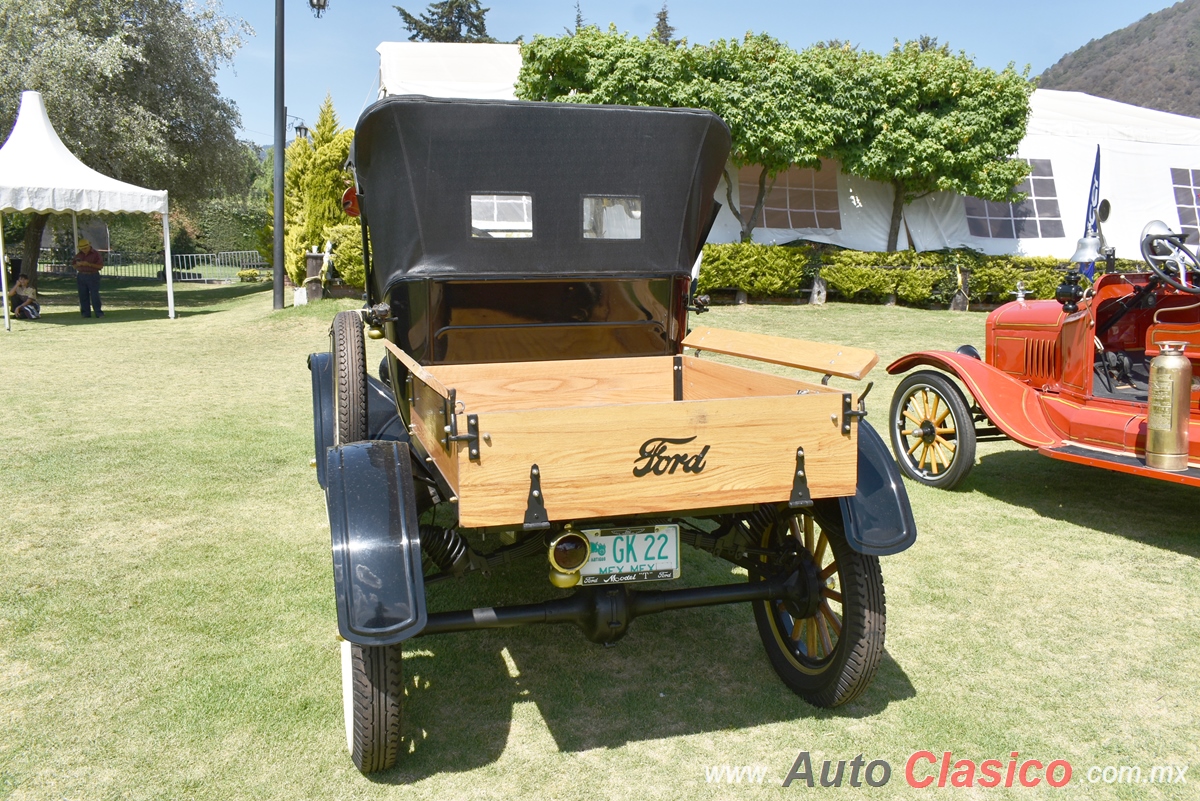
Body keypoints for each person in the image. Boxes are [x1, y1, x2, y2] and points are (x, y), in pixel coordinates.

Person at [72, 238, 104, 318]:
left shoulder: (96, 254)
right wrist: (78, 265)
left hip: (93, 275)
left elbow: (100, 266)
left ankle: (98, 312)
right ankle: (85, 313)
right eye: (82, 248)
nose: (84, 250)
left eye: (85, 248)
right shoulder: (79, 255)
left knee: (94, 295)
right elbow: (73, 265)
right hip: (81, 275)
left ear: (89, 246)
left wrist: (88, 264)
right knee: (83, 295)